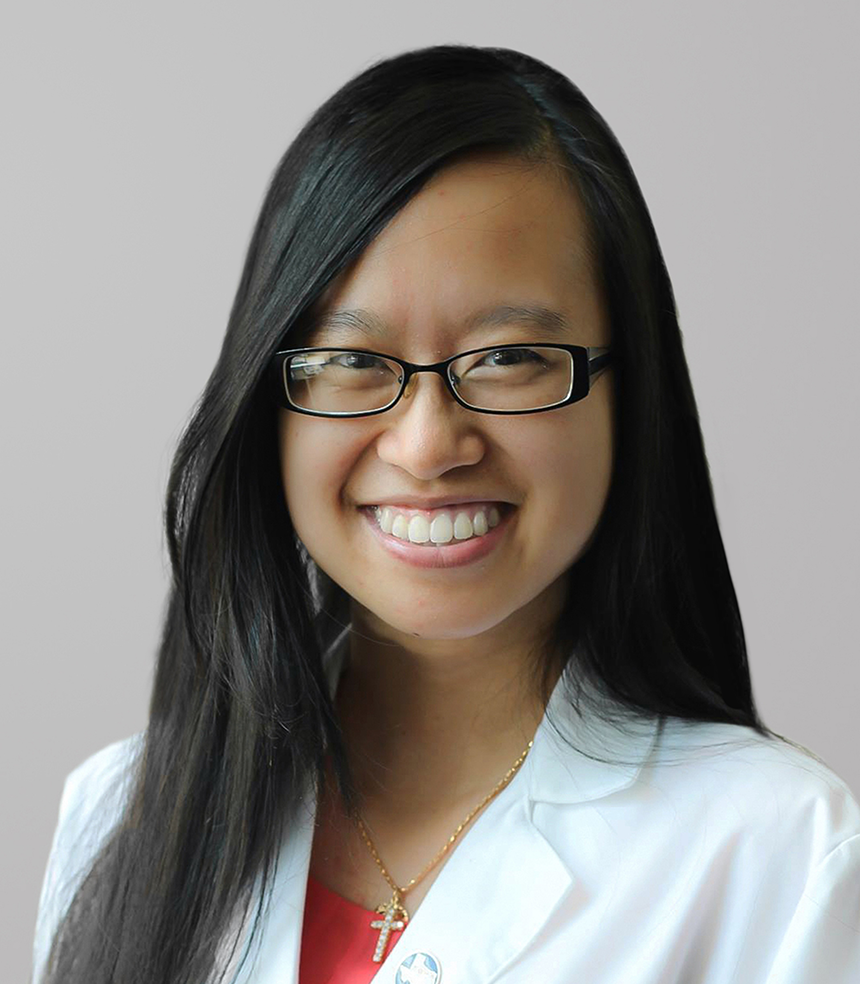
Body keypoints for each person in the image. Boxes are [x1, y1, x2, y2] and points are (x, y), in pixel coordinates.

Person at [32, 43, 859, 984]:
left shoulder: (782, 857)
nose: (426, 446)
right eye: (352, 362)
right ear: (269, 405)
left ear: (629, 394)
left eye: (509, 359)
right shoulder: (120, 817)